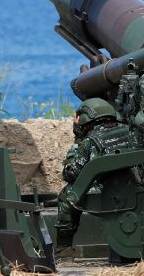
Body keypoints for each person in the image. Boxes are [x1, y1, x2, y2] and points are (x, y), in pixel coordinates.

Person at [54, 98, 137, 257]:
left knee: (67, 196)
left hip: (108, 193)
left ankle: (63, 249)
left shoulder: (90, 141)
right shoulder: (130, 131)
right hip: (135, 187)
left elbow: (71, 174)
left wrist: (78, 141)